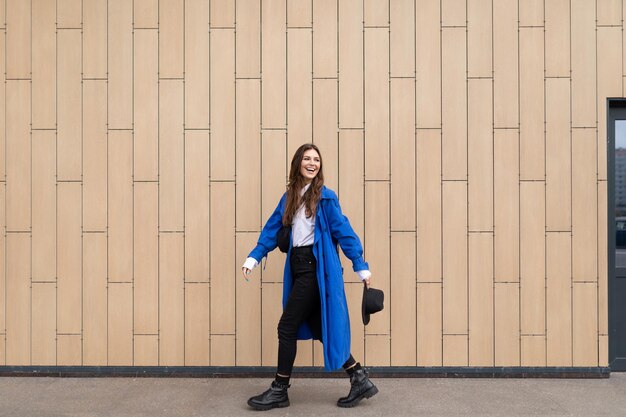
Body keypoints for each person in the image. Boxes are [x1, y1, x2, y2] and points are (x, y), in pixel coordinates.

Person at [241, 143, 378, 410]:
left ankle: (280, 389)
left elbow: (344, 232)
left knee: (286, 326)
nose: (312, 163)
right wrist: (254, 256)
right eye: (307, 159)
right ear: (298, 163)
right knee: (318, 326)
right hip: (298, 267)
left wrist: (360, 265)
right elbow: (272, 229)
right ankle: (358, 377)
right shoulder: (290, 196)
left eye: (316, 159)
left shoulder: (325, 198)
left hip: (315, 270)